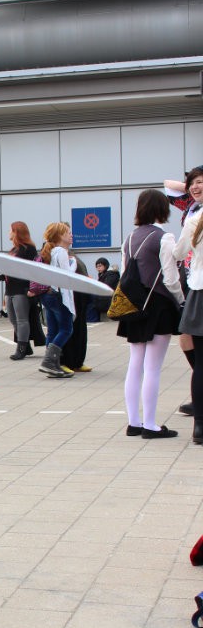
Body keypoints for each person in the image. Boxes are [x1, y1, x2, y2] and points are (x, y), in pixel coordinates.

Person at [119, 189, 183, 438]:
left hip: (134, 304)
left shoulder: (129, 238)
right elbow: (170, 278)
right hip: (158, 304)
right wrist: (181, 301)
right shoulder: (164, 237)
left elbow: (125, 273)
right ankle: (150, 425)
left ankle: (133, 423)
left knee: (135, 364)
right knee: (153, 368)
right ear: (162, 209)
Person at [165, 167, 203, 416]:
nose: (194, 186)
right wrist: (190, 186)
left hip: (198, 284)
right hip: (193, 280)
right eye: (191, 182)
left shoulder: (192, 217)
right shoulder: (190, 208)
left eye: (200, 182)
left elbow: (178, 252)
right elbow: (167, 184)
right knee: (186, 338)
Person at [173, 200, 203, 443]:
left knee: (201, 364)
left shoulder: (193, 220)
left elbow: (179, 253)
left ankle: (200, 426)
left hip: (200, 293)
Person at [37, 222, 76, 378]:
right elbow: (67, 275)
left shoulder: (51, 251)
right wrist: (73, 264)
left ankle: (52, 365)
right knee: (66, 329)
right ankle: (49, 362)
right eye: (68, 233)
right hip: (58, 295)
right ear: (60, 236)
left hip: (48, 295)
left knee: (52, 330)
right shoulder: (61, 252)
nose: (71, 235)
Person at [0, 222, 38, 359]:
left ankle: (21, 348)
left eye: (11, 230)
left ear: (17, 232)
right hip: (10, 288)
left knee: (22, 319)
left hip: (21, 288)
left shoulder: (28, 249)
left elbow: (30, 269)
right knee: (13, 319)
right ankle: (25, 346)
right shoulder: (14, 249)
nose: (9, 232)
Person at [60, 253, 92, 374]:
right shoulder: (57, 253)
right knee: (67, 329)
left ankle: (78, 362)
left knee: (80, 329)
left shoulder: (72, 256)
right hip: (68, 295)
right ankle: (64, 362)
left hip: (80, 295)